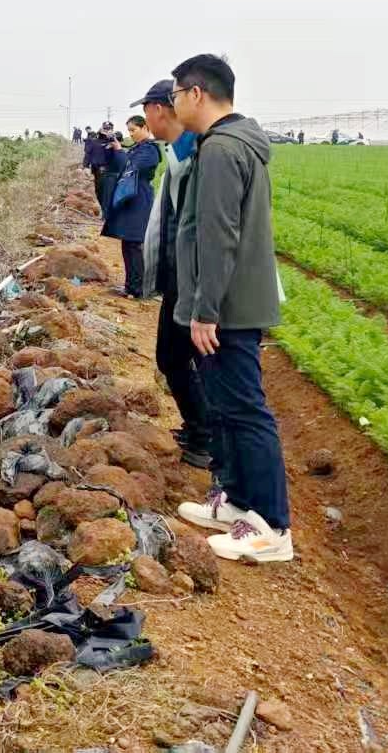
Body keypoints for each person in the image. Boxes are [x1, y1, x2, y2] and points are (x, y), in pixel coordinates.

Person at [170, 54, 292, 563]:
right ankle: (238, 504)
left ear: (196, 93)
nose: (174, 102)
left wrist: (205, 309)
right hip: (232, 304)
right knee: (226, 406)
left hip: (229, 308)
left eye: (176, 93)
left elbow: (218, 235)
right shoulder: (231, 144)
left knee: (245, 411)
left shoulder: (222, 150)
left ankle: (273, 529)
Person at [135, 80, 209, 468]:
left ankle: (204, 436)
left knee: (180, 357)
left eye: (147, 109)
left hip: (193, 277)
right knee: (175, 356)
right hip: (180, 273)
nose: (146, 118)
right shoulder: (178, 152)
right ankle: (200, 429)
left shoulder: (197, 152)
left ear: (158, 109)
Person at [101, 114, 160, 298]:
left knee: (135, 243)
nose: (131, 134)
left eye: (133, 130)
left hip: (140, 199)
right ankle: (129, 286)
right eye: (129, 131)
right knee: (127, 242)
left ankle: (140, 289)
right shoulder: (138, 148)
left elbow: (130, 166)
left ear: (145, 128)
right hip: (131, 199)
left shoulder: (150, 150)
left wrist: (119, 151)